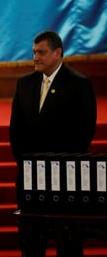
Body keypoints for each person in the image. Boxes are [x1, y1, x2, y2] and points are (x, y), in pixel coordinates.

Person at [9, 30, 97, 257]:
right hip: (29, 176)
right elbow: (15, 130)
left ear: (58, 53)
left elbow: (83, 133)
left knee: (68, 242)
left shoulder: (79, 84)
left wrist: (54, 165)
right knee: (31, 240)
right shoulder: (25, 84)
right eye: (34, 52)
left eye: (41, 52)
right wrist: (26, 163)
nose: (35, 57)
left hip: (65, 177)